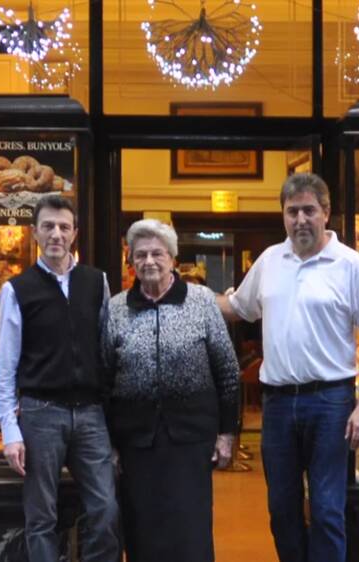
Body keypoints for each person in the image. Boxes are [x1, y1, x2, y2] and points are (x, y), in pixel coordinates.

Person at [217, 173, 359, 562]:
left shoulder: (350, 265)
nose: (300, 220)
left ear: (326, 212)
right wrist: (182, 293)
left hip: (331, 403)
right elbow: (237, 307)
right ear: (283, 215)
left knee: (326, 510)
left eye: (309, 210)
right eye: (292, 212)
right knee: (282, 510)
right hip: (277, 405)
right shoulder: (269, 261)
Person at [0, 194, 119, 562]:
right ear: (34, 232)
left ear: (75, 232)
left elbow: (106, 350)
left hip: (91, 414)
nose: (56, 234)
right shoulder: (16, 290)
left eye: (64, 227)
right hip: (40, 414)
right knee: (41, 517)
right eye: (48, 226)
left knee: (106, 510)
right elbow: (5, 366)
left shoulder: (96, 282)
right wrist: (9, 431)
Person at [103, 219, 240, 562]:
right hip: (136, 442)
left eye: (157, 253)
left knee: (189, 532)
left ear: (172, 258)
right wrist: (110, 443)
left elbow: (227, 371)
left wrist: (227, 434)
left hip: (191, 440)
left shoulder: (201, 302)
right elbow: (104, 377)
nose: (149, 261)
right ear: (131, 261)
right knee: (142, 530)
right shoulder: (116, 308)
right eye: (140, 255)